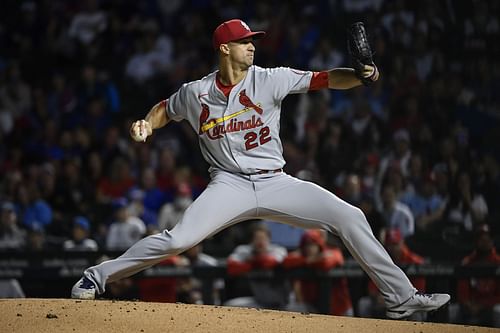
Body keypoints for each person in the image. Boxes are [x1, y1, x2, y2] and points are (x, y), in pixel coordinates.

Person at [72, 19, 449, 319]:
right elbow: (164, 109)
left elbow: (328, 79)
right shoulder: (195, 93)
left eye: (253, 40)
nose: (252, 45)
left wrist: (363, 75)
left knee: (350, 217)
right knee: (176, 241)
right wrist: (146, 124)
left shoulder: (270, 79)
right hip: (228, 186)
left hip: (276, 182)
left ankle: (400, 298)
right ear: (225, 48)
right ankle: (96, 276)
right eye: (244, 41)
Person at [357, 228, 427, 320]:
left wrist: (398, 300)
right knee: (364, 304)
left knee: (418, 311)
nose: (393, 248)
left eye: (395, 244)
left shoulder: (415, 261)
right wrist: (379, 297)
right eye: (390, 245)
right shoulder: (382, 260)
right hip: (387, 300)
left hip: (409, 301)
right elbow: (372, 289)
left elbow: (419, 291)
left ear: (402, 242)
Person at [283, 229, 353, 316]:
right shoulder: (303, 258)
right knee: (293, 309)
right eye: (307, 245)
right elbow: (286, 261)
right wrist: (308, 260)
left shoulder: (334, 252)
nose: (309, 248)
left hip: (339, 308)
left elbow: (326, 263)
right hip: (314, 306)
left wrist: (310, 261)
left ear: (319, 245)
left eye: (312, 244)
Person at [224, 224, 288, 310]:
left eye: (263, 238)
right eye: (257, 238)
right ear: (251, 240)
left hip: (282, 303)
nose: (260, 242)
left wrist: (251, 262)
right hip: (259, 301)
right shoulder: (246, 251)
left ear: (269, 239)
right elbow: (231, 266)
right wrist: (251, 265)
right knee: (229, 306)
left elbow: (269, 262)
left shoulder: (278, 250)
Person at [453, 224, 500, 327]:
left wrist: (484, 304)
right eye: (481, 239)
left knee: (498, 311)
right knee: (453, 311)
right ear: (476, 241)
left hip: (492, 304)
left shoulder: (498, 262)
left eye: (487, 239)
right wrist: (468, 303)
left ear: (492, 241)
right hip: (471, 305)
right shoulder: (467, 262)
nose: (484, 242)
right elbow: (462, 292)